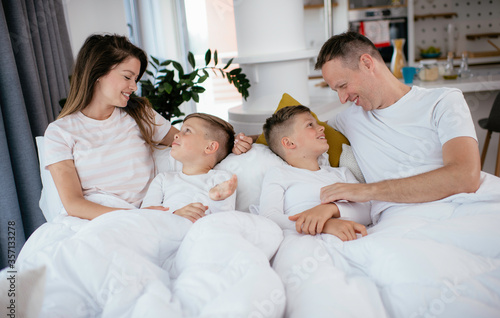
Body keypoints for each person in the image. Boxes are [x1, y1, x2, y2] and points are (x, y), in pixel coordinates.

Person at [44, 34, 252, 221]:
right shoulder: (60, 132)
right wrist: (137, 217)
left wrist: (233, 142)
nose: (134, 87)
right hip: (94, 221)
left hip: (145, 219)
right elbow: (73, 204)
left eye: (135, 79)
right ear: (97, 72)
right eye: (127, 77)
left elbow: (191, 143)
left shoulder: (139, 114)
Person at [315, 31, 481, 222]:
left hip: (460, 210)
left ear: (367, 63)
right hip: (401, 223)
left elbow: (465, 177)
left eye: (343, 85)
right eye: (336, 90)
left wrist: (366, 191)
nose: (342, 98)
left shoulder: (443, 101)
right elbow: (296, 131)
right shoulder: (348, 119)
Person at [258, 105, 370, 241]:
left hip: (351, 238)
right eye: (310, 125)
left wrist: (331, 209)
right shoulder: (279, 174)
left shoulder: (342, 173)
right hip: (304, 241)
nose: (322, 127)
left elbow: (368, 209)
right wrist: (324, 225)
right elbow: (269, 217)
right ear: (289, 142)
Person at [141, 113, 238, 222]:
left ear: (210, 147)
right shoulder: (163, 179)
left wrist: (218, 201)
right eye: (180, 130)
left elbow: (225, 221)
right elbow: (146, 214)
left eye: (187, 131)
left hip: (202, 233)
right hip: (166, 230)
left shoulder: (221, 179)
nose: (176, 135)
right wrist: (175, 214)